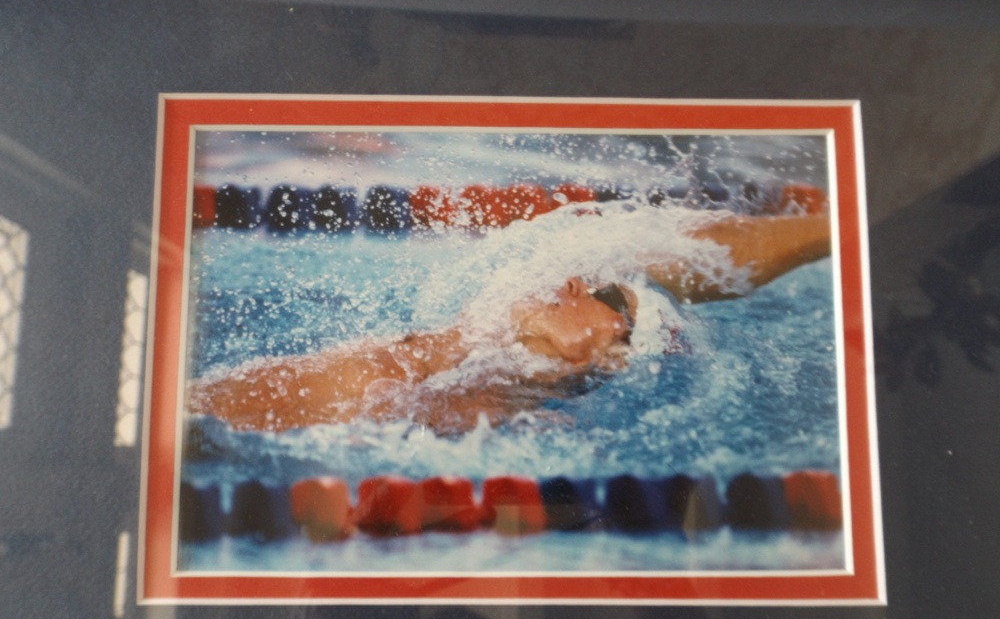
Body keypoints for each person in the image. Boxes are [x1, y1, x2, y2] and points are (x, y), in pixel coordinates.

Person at [187, 212, 831, 435]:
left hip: (251, 423)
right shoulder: (503, 312)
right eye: (622, 328)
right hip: (220, 405)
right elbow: (701, 250)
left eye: (613, 307)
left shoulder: (497, 395)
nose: (576, 282)